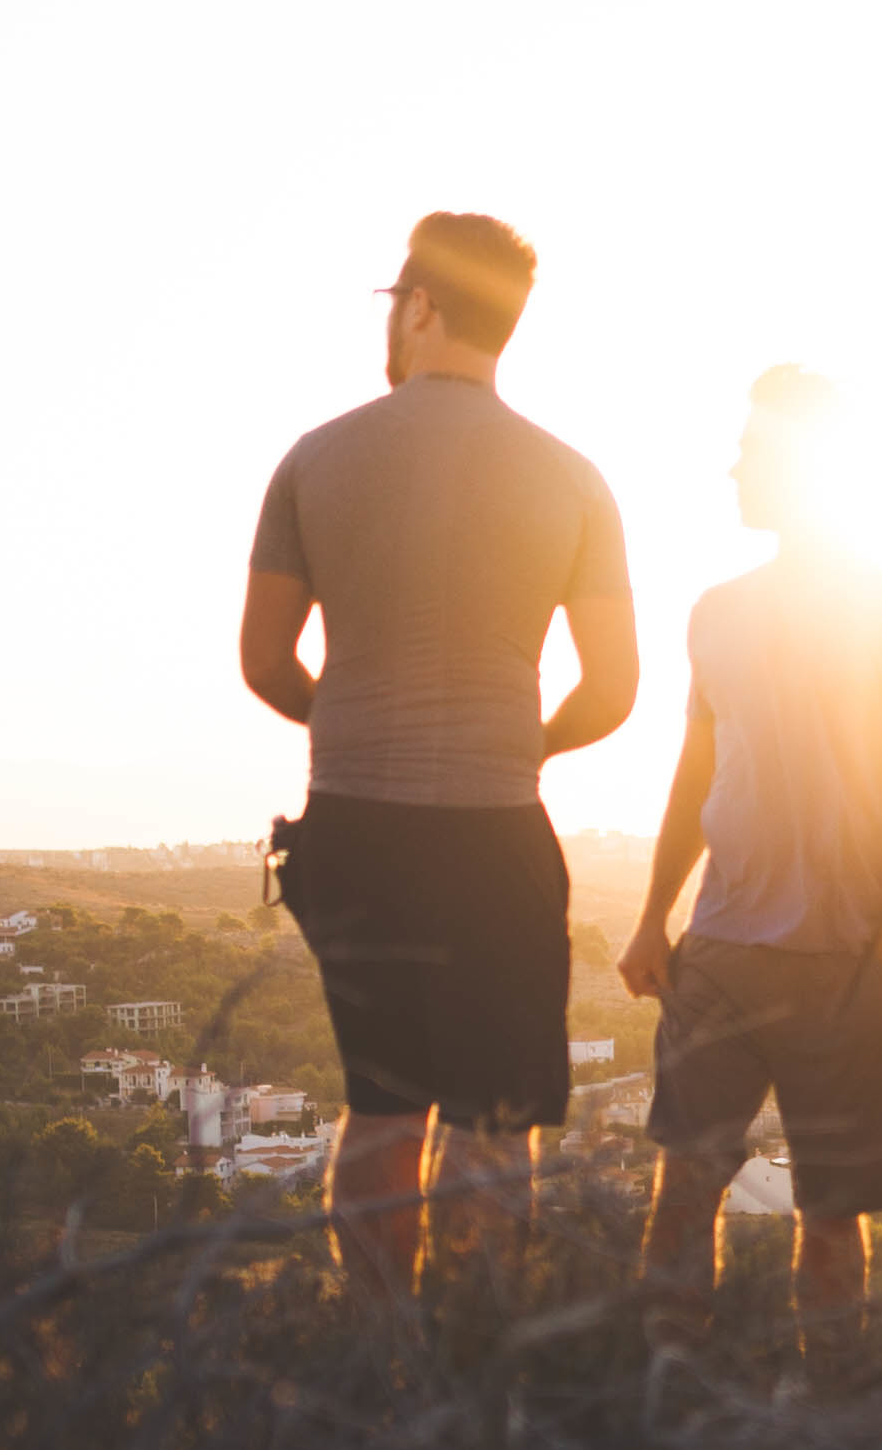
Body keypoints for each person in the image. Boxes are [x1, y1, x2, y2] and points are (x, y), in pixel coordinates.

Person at [240, 210, 637, 1291]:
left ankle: (377, 1352)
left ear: (419, 306)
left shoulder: (315, 460)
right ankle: (479, 1352)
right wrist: (521, 746)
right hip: (495, 827)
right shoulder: (572, 480)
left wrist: (356, 721)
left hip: (356, 826)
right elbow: (615, 689)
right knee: (494, 1121)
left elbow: (266, 661)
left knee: (380, 1105)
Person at [615, 370, 882, 1347]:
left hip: (840, 960)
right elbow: (695, 776)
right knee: (683, 1188)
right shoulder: (716, 611)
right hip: (717, 950)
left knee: (832, 1216)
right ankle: (670, 1404)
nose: (733, 469)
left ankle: (833, 1425)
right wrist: (651, 917)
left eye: (752, 450)